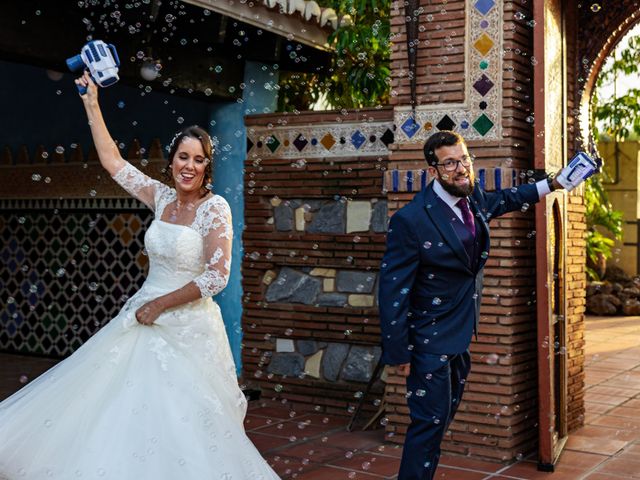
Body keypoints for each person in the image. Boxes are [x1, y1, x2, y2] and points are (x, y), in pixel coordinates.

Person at [0, 72, 280, 480]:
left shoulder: (214, 208)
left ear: (207, 167)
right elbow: (114, 162)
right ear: (171, 161)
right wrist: (91, 102)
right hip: (140, 316)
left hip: (186, 326)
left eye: (199, 159)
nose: (189, 166)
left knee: (184, 418)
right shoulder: (161, 197)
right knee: (119, 405)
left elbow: (217, 278)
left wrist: (160, 304)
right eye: (183, 157)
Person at [378, 130, 575, 480]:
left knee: (440, 422)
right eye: (450, 162)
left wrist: (556, 183)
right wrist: (400, 353)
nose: (461, 168)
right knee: (428, 426)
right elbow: (393, 291)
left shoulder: (472, 199)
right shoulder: (411, 220)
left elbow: (509, 198)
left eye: (464, 159)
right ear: (433, 170)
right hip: (426, 340)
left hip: (460, 336)